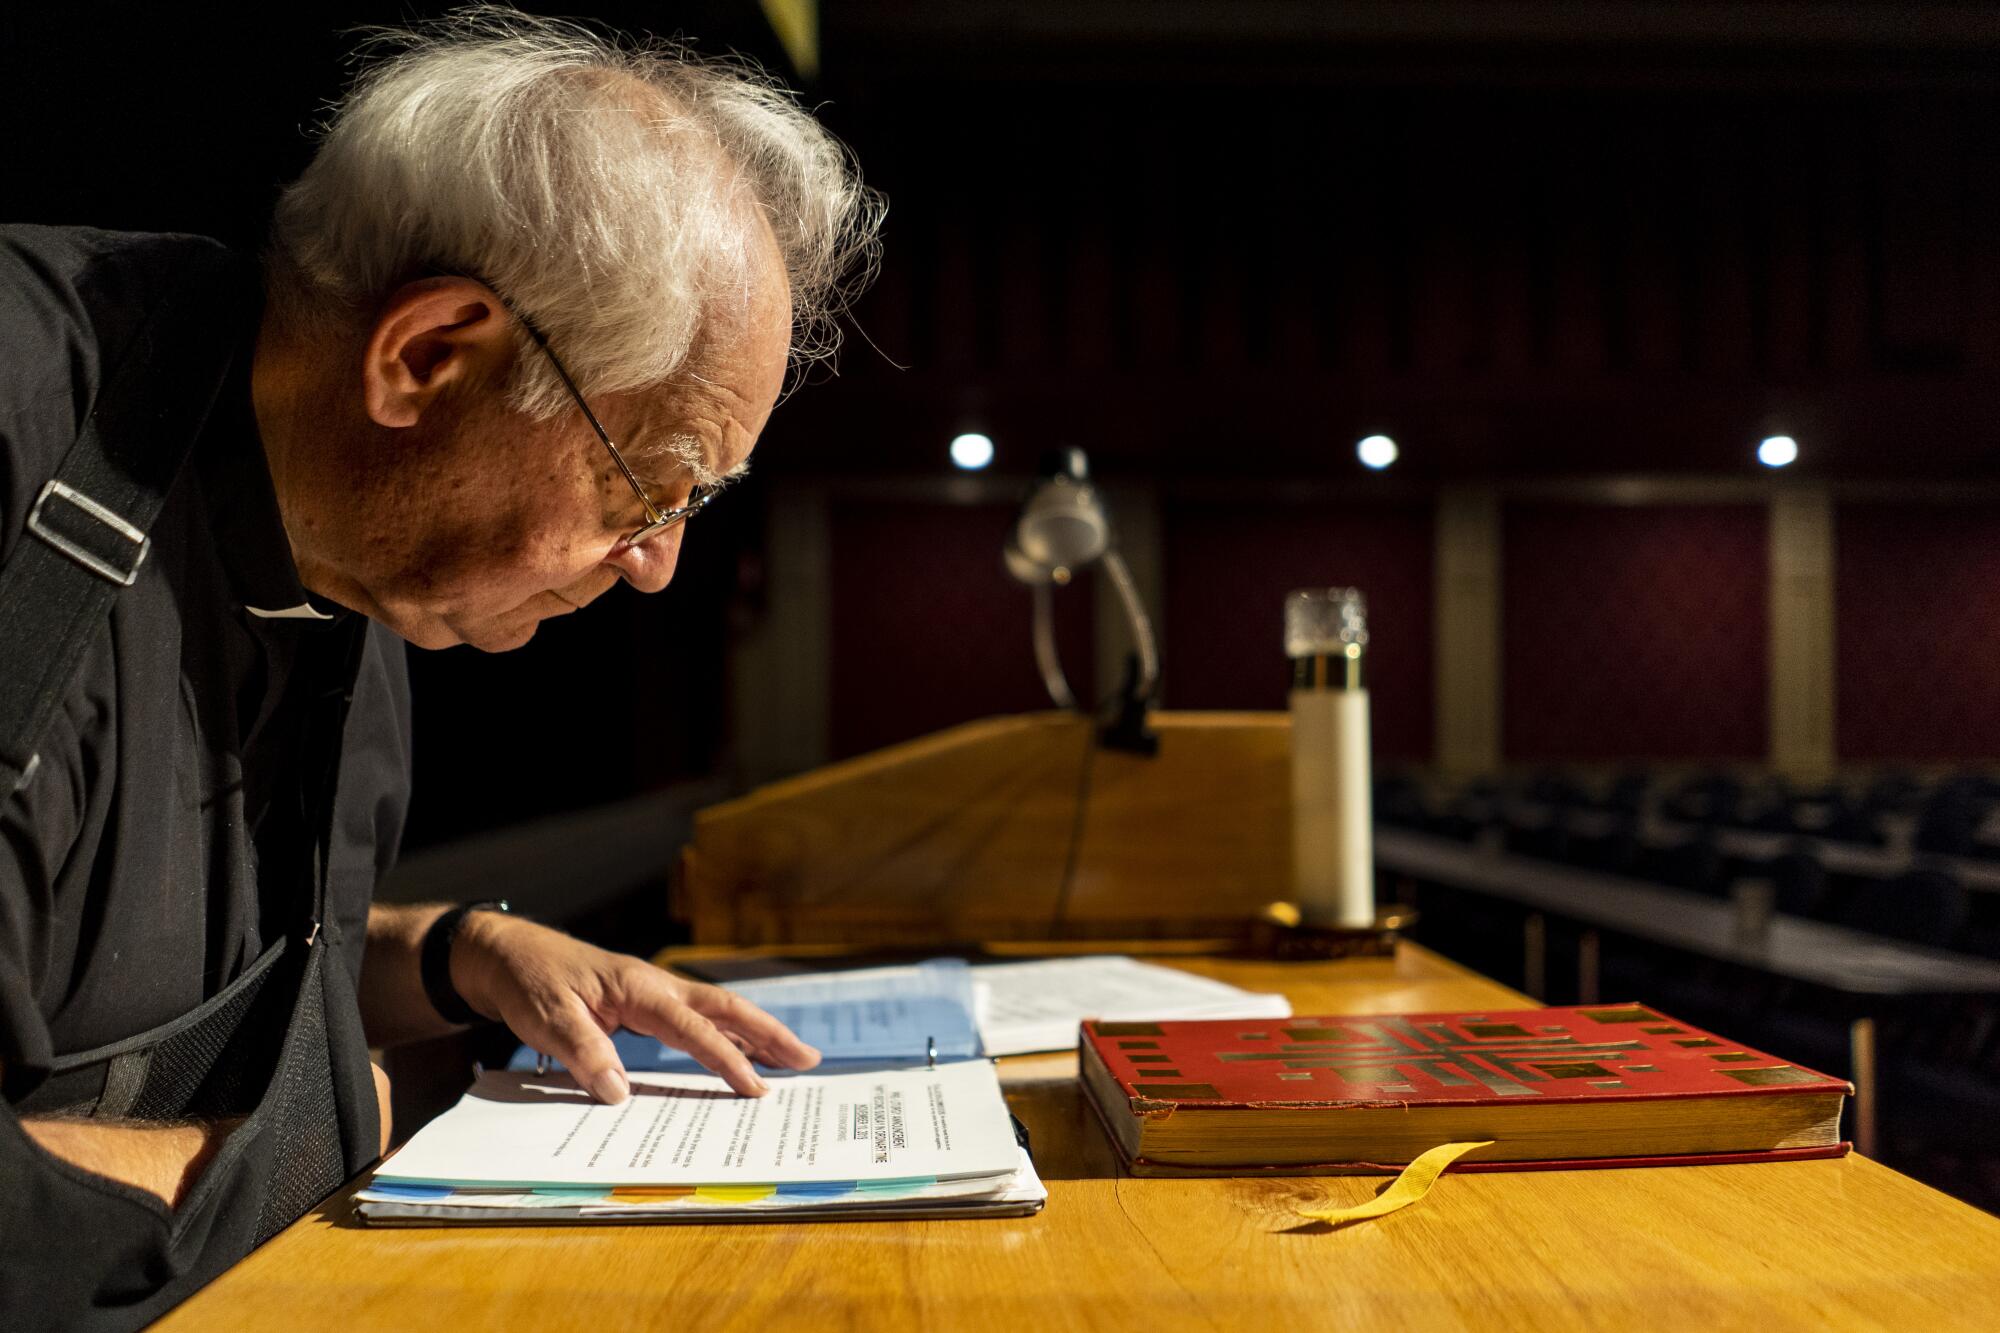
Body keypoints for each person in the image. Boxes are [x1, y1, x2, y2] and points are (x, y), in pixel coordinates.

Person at [0, 9, 882, 1326]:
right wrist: (273, 1154)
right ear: (424, 358)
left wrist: (455, 950)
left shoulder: (363, 551)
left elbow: (104, 944)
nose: (654, 566)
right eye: (646, 487)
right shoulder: (24, 436)